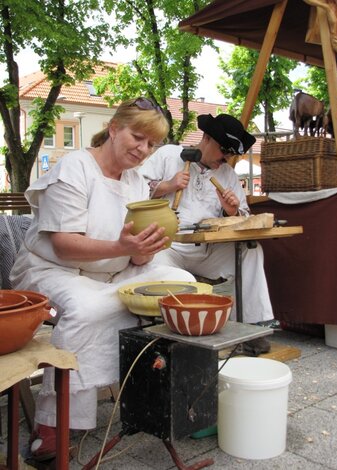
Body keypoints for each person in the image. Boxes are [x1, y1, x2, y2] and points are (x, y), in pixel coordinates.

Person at [10, 97, 195, 460]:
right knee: (90, 308)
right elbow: (64, 245)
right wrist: (122, 246)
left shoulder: (136, 180)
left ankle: (153, 396)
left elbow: (136, 253)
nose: (143, 149)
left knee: (180, 282)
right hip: (53, 270)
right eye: (137, 137)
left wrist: (146, 248)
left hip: (112, 269)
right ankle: (55, 421)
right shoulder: (75, 167)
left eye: (151, 144)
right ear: (114, 128)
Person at [139, 113, 277, 328]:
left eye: (230, 154)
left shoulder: (228, 174)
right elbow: (135, 191)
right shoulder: (169, 155)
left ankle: (252, 325)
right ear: (206, 137)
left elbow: (245, 218)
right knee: (152, 262)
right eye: (224, 150)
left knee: (250, 249)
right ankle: (169, 327)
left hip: (208, 250)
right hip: (169, 247)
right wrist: (168, 186)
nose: (226, 158)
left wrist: (231, 212)